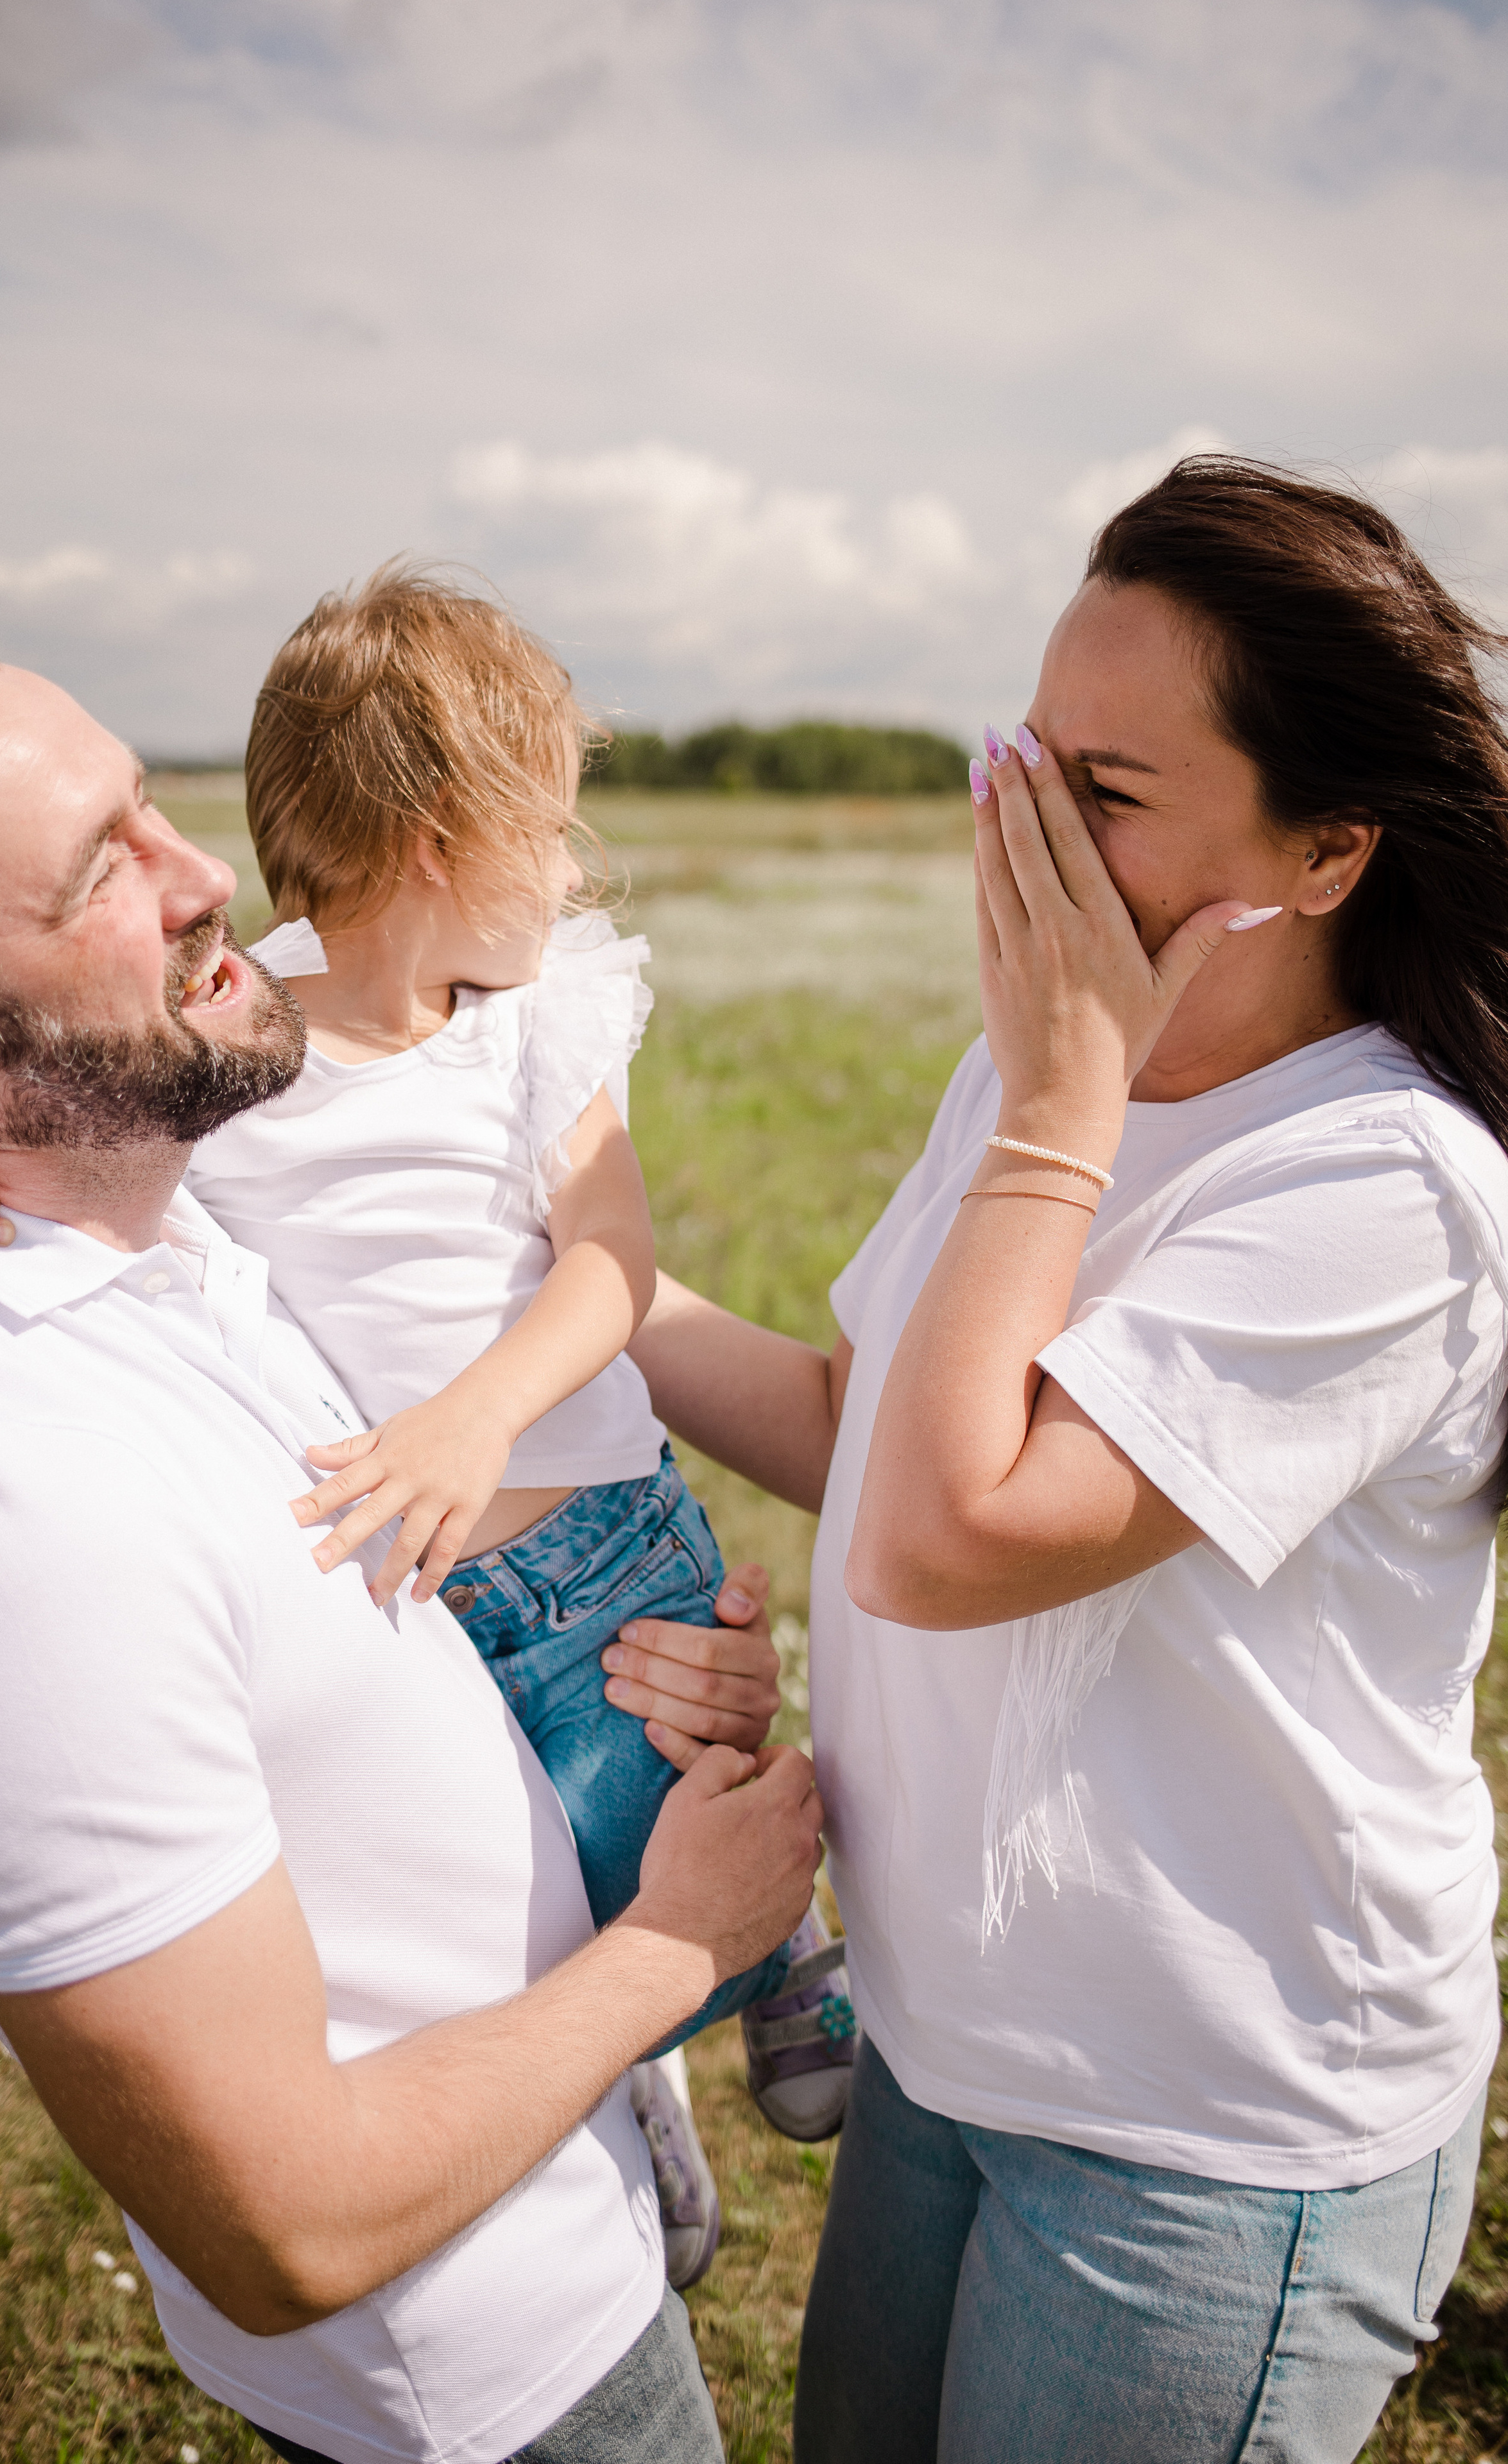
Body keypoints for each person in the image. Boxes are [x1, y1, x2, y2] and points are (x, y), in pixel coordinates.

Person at [0, 616, 826, 2464]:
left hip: (550, 2172)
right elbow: (286, 2217)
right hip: (482, 2366)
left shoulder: (164, 1220)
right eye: (99, 867)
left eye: (153, 809)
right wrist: (683, 1946)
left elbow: (544, 1303)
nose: (206, 874)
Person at [628, 458, 1508, 2463]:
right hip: (954, 2051)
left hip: (1206, 2134)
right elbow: (874, 1437)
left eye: (1102, 797)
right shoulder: (1035, 1075)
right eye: (1024, 761)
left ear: (1327, 853)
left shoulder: (1391, 1187)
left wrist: (1055, 1111)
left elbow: (949, 1538)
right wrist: (568, 1278)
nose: (1018, 834)